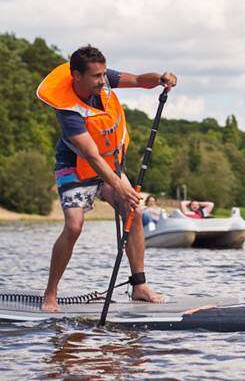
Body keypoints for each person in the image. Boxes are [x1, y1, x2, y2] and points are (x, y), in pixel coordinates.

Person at [37, 44, 177, 312]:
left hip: (108, 164)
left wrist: (160, 78)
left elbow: (138, 80)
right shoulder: (68, 111)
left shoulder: (103, 80)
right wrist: (118, 186)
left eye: (104, 74)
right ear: (76, 76)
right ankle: (51, 293)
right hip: (75, 167)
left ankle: (139, 286)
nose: (103, 81)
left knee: (132, 209)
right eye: (96, 76)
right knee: (74, 226)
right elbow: (91, 156)